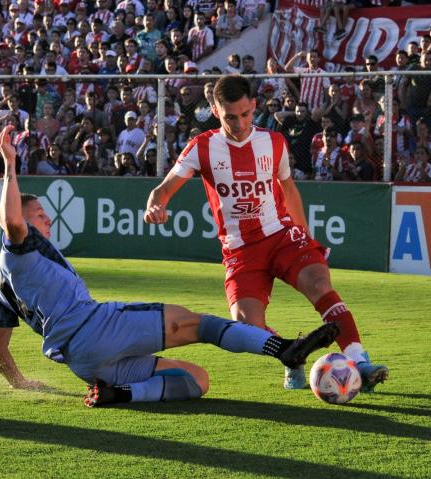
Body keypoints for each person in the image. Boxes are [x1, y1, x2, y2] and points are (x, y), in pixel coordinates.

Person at [0, 124, 339, 407]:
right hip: (99, 328)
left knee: (195, 380)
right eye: (40, 215)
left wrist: (22, 383)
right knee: (204, 325)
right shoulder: (21, 245)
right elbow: (13, 222)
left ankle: (120, 394)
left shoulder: (2, 281)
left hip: (84, 365)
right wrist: (10, 164)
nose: (47, 221)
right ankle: (284, 350)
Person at [143, 75, 388, 392]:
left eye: (245, 114)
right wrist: (155, 207)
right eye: (231, 116)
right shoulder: (201, 148)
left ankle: (359, 360)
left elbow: (288, 189)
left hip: (281, 235)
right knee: (248, 325)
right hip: (240, 251)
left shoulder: (273, 142)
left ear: (254, 106)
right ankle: (292, 355)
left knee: (319, 283)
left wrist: (305, 235)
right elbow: (162, 191)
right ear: (217, 111)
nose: (240, 123)